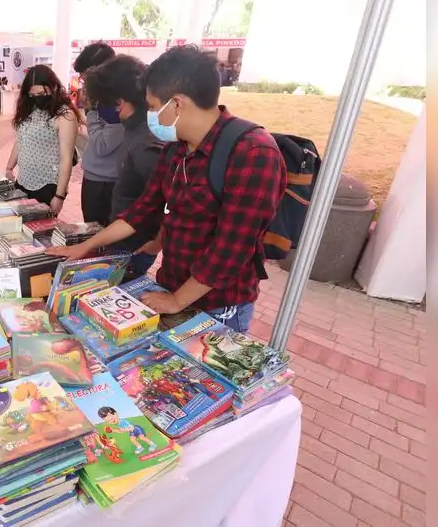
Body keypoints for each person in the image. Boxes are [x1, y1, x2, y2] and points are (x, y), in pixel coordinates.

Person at [49, 45, 287, 333]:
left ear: (176, 104)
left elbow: (231, 249)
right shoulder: (176, 149)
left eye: (151, 106)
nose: (150, 115)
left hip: (219, 306)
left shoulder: (253, 152)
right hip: (170, 287)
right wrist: (85, 247)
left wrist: (177, 300)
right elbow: (141, 210)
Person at [81, 54, 165, 278]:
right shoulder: (132, 128)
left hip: (133, 247)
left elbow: (168, 205)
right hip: (120, 237)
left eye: (103, 103)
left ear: (119, 101)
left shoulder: (146, 143)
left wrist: (157, 242)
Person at [4, 64, 80, 214]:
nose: (37, 99)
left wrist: (60, 195)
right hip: (23, 180)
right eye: (32, 95)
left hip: (48, 184)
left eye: (41, 93)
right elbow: (21, 140)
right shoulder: (29, 110)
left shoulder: (65, 116)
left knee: (42, 231)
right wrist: (9, 167)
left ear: (54, 88)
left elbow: (66, 158)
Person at [73, 42, 123, 227]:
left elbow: (102, 145)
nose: (83, 81)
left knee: (104, 241)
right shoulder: (102, 99)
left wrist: (90, 111)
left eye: (85, 75)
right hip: (94, 178)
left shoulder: (117, 102)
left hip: (107, 184)